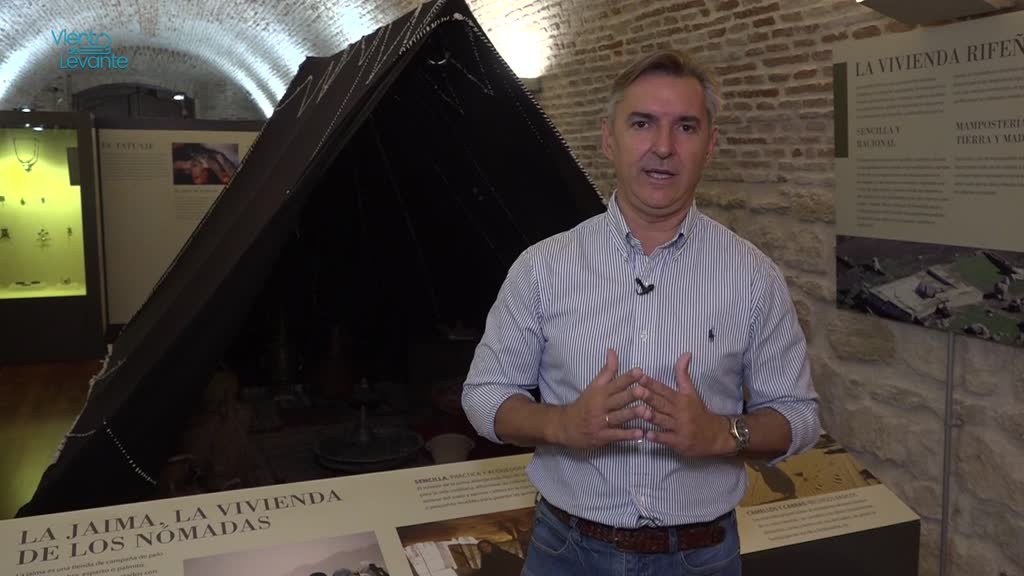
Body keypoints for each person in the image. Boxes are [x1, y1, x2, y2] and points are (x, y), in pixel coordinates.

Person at [461, 48, 820, 576]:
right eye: (642, 123)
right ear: (609, 138)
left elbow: (799, 416)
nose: (663, 147)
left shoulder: (751, 275)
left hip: (700, 557)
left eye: (686, 127)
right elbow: (484, 396)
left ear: (710, 144)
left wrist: (722, 434)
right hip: (567, 552)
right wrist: (561, 423)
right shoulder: (543, 267)